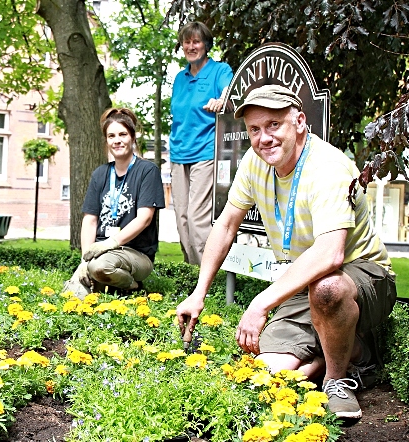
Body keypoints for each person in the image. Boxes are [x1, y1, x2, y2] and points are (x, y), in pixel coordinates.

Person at [176, 85, 397, 419]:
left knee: (329, 289)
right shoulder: (255, 162)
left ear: (300, 122)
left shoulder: (328, 168)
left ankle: (337, 382)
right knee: (265, 374)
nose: (264, 137)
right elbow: (225, 226)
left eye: (273, 125)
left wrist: (260, 303)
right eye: (254, 129)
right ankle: (354, 350)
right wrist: (199, 293)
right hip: (309, 279)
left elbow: (329, 255)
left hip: (364, 274)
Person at [62, 108, 164, 298]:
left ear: (133, 137)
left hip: (135, 253)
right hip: (99, 253)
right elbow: (90, 220)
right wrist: (85, 259)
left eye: (123, 134)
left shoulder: (147, 171)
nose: (117, 140)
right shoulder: (100, 174)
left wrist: (111, 243)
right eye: (111, 136)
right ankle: (103, 282)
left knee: (100, 267)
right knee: (73, 297)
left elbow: (144, 219)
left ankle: (133, 286)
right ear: (107, 141)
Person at [169, 21, 233, 266]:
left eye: (196, 41)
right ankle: (192, 271)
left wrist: (221, 100)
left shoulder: (219, 70)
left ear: (206, 44)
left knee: (198, 220)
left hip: (205, 152)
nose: (191, 46)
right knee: (181, 219)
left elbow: (231, 94)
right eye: (187, 42)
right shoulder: (179, 78)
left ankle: (208, 279)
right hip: (177, 154)